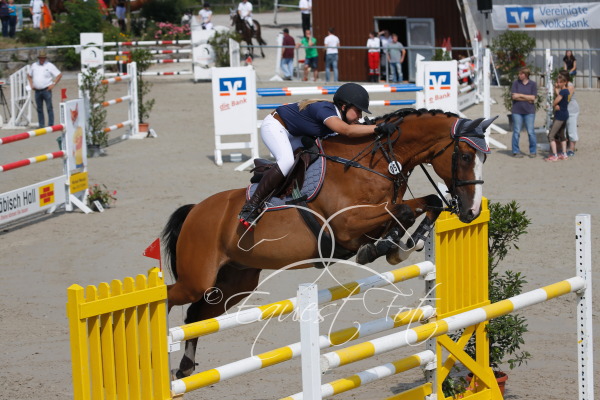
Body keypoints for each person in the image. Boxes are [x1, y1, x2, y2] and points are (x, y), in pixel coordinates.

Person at [238, 83, 396, 228]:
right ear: (344, 106)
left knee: (313, 157)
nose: (360, 116)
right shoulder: (325, 111)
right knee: (287, 161)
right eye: (358, 110)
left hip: (295, 134)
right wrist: (377, 127)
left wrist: (372, 129)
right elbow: (347, 131)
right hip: (275, 126)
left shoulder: (338, 115)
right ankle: (251, 206)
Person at [27, 50, 62, 128]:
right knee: (39, 108)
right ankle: (41, 124)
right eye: (41, 58)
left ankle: (50, 124)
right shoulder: (34, 65)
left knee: (49, 107)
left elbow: (59, 75)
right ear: (39, 58)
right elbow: (29, 75)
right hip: (37, 90)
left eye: (43, 58)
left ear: (45, 58)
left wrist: (53, 84)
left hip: (46, 89)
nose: (42, 59)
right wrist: (31, 84)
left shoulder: (49, 65)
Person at [510, 67, 537, 158]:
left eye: (521, 74)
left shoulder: (533, 84)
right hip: (517, 111)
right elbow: (514, 97)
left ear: (526, 75)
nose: (519, 75)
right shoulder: (515, 83)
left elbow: (533, 98)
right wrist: (527, 98)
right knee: (516, 131)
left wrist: (520, 95)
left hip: (529, 111)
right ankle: (515, 151)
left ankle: (533, 151)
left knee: (531, 132)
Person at [544, 74, 570, 162]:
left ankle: (554, 155)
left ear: (565, 82)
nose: (558, 84)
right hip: (564, 114)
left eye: (560, 82)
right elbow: (560, 98)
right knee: (562, 135)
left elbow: (555, 101)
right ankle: (564, 153)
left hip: (560, 115)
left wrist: (554, 105)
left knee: (551, 135)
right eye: (558, 82)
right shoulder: (565, 91)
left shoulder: (563, 91)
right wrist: (556, 89)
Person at [559, 70, 579, 157]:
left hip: (571, 110)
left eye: (560, 77)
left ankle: (571, 149)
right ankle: (563, 148)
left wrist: (557, 91)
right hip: (563, 109)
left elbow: (566, 98)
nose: (558, 78)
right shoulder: (560, 85)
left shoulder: (570, 86)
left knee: (571, 129)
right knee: (563, 130)